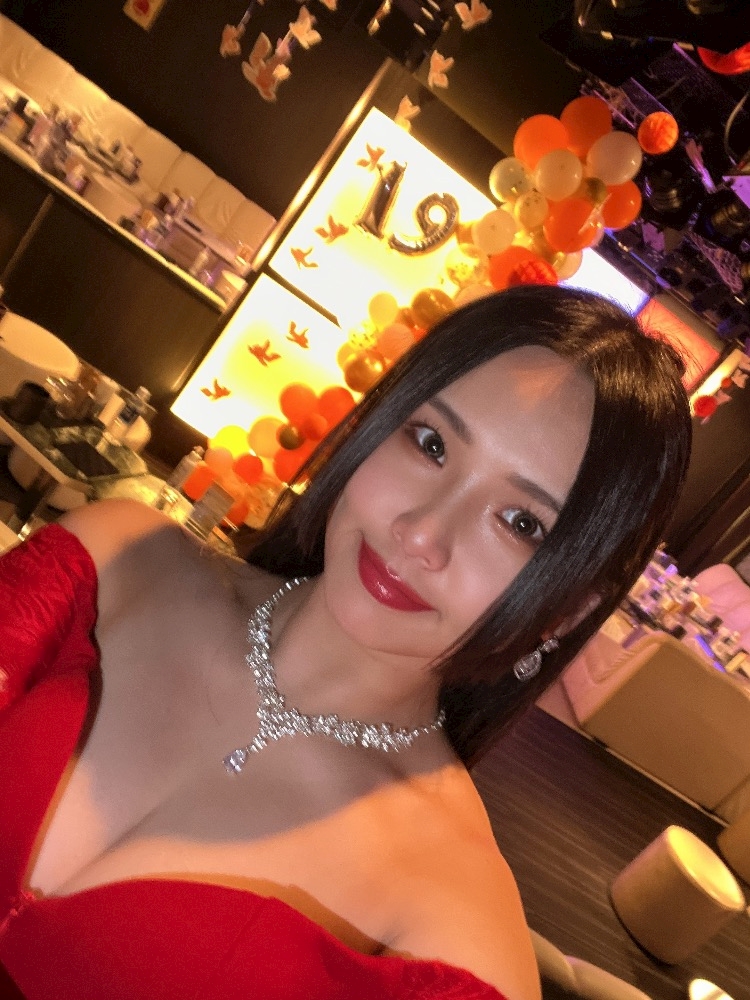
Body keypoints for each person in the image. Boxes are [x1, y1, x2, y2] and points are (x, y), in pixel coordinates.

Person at [0, 286, 691, 1000]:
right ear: (377, 422)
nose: (421, 534)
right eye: (431, 444)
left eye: (521, 523)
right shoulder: (115, 560)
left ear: (567, 611)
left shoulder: (457, 929)